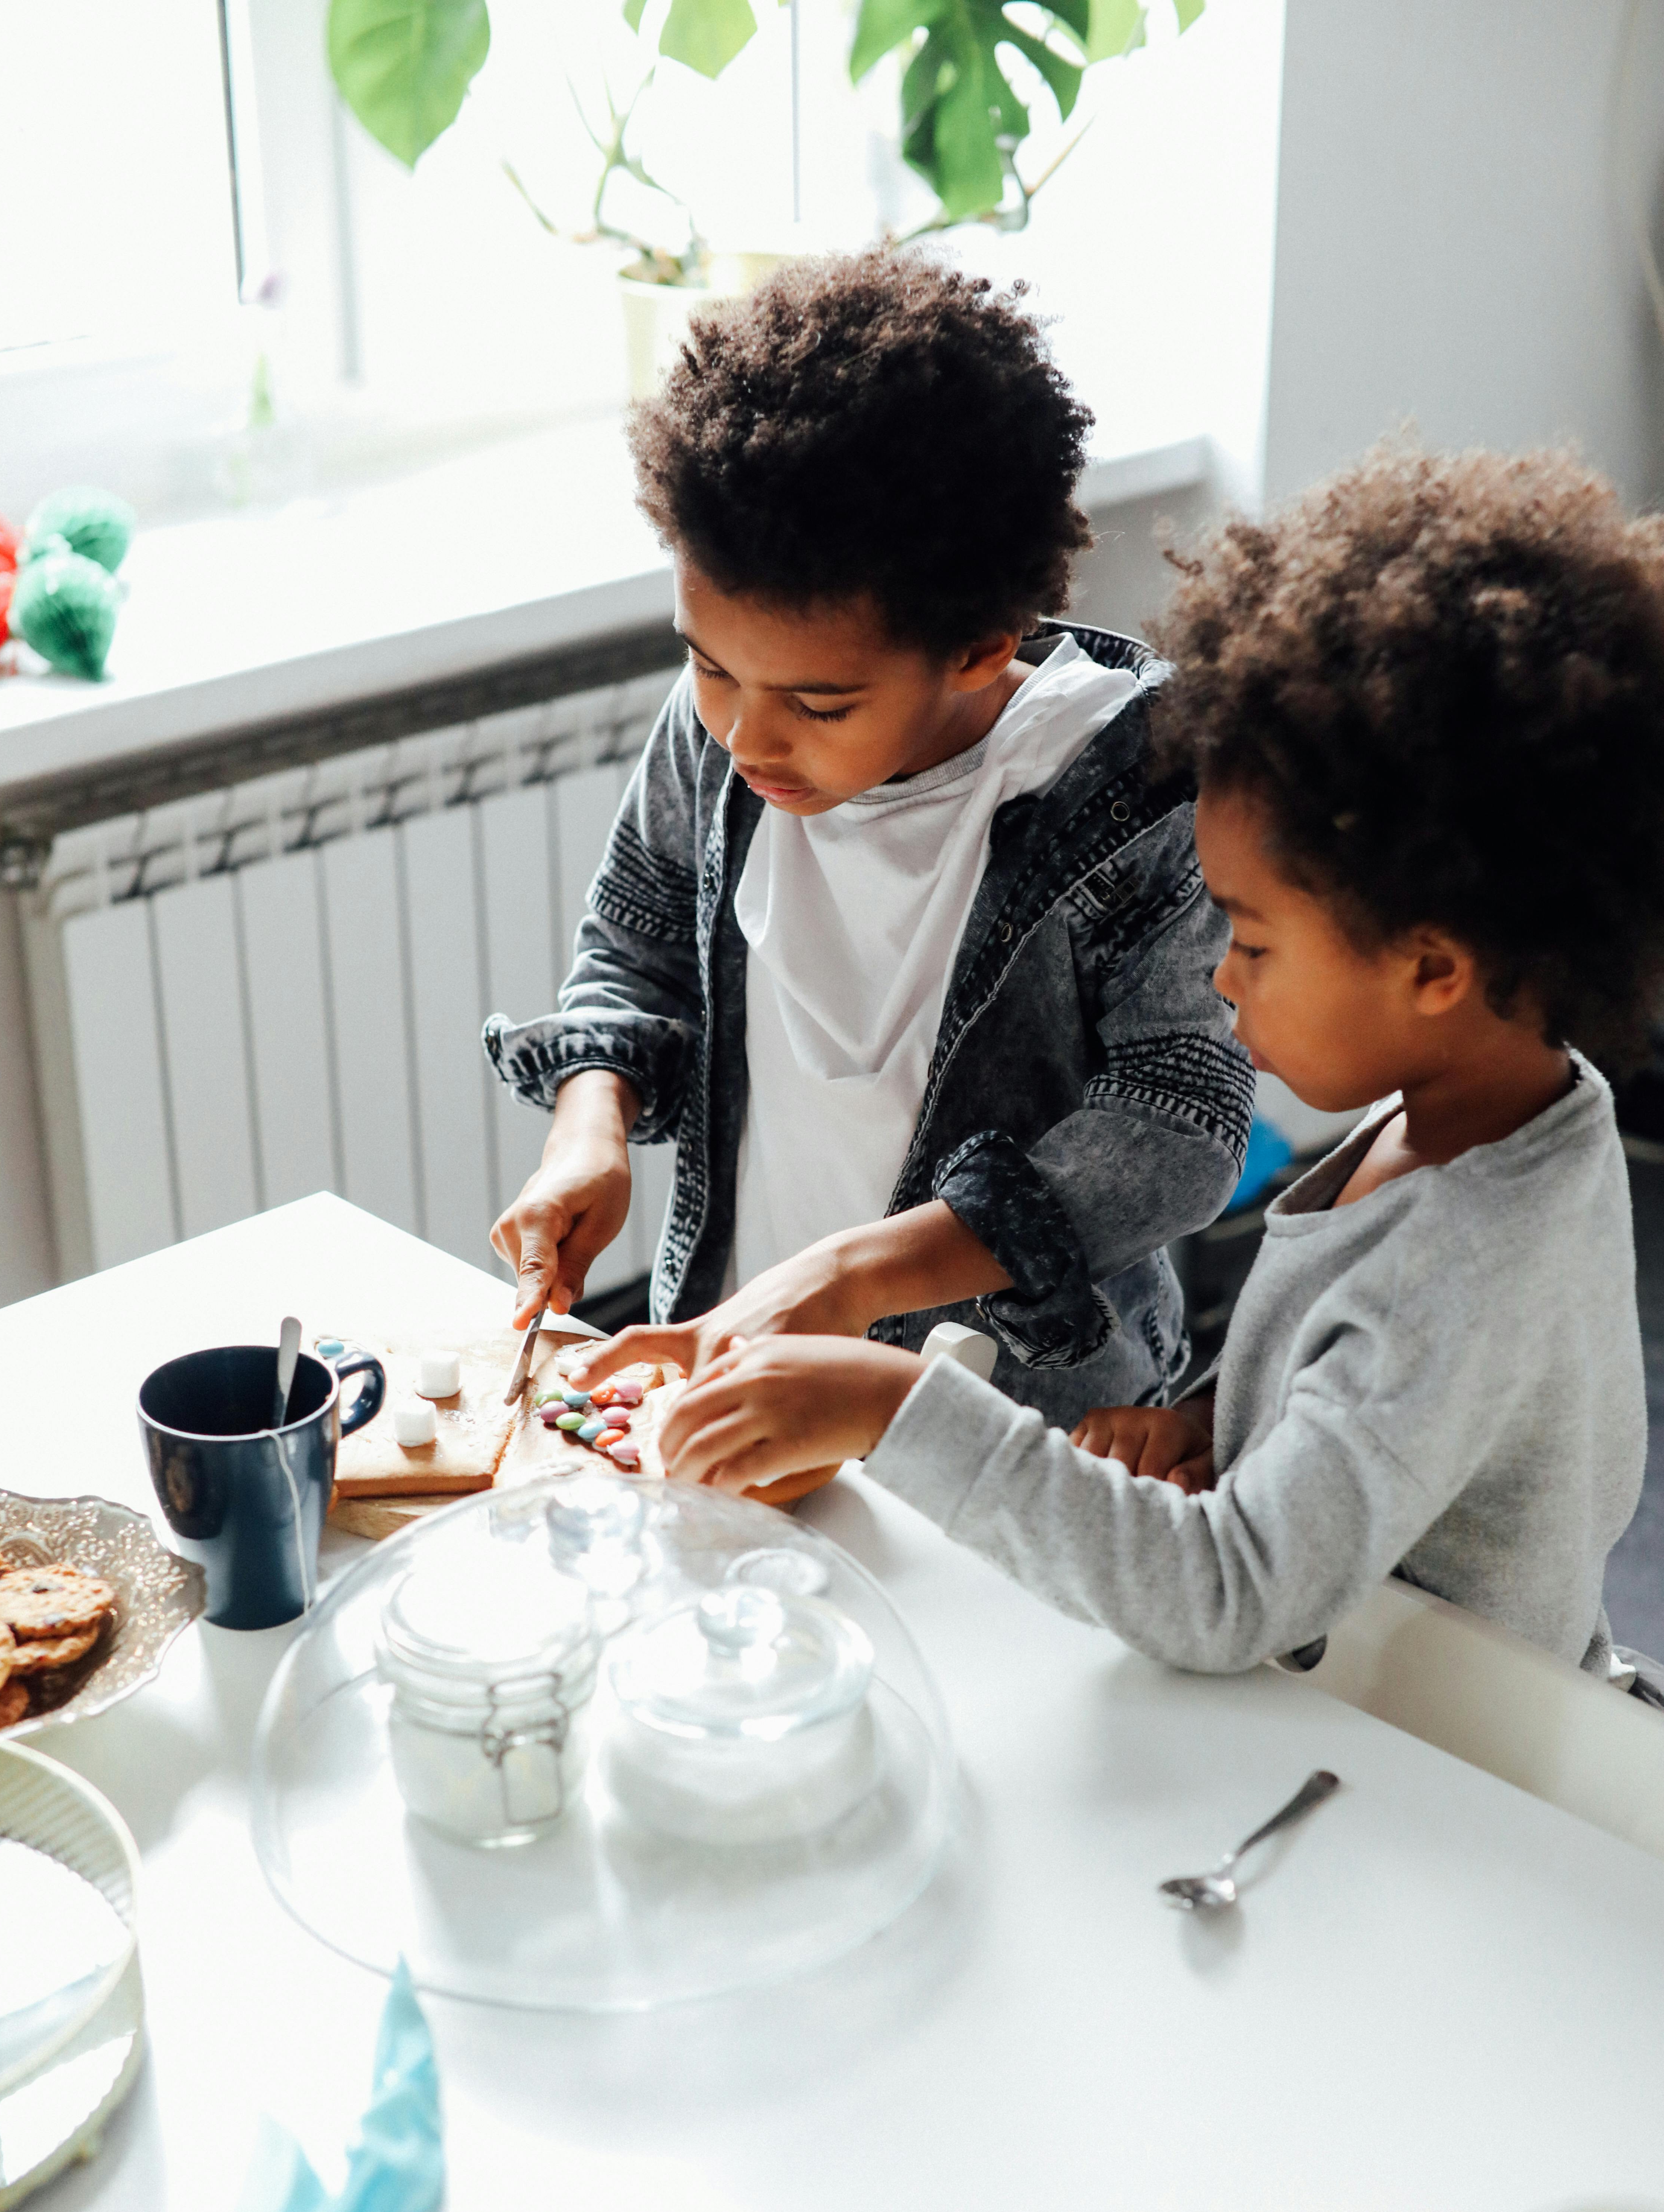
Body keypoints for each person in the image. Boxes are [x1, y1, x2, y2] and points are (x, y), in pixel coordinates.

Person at [619, 442, 1664, 1679]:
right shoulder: (1503, 1118)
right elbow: (1399, 1427)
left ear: (1432, 968)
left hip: (1436, 1771)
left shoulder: (1461, 1264)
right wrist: (1221, 1424)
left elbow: (1231, 1597)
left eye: (1256, 942)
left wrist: (893, 1406)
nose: (1223, 977)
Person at [487, 250, 1251, 1431]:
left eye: (820, 704)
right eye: (707, 663)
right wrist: (588, 1129)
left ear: (980, 649)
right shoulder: (732, 724)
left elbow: (1178, 1124)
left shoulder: (1136, 794)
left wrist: (854, 1278)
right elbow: (633, 939)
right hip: (739, 1336)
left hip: (1012, 1417)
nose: (745, 734)